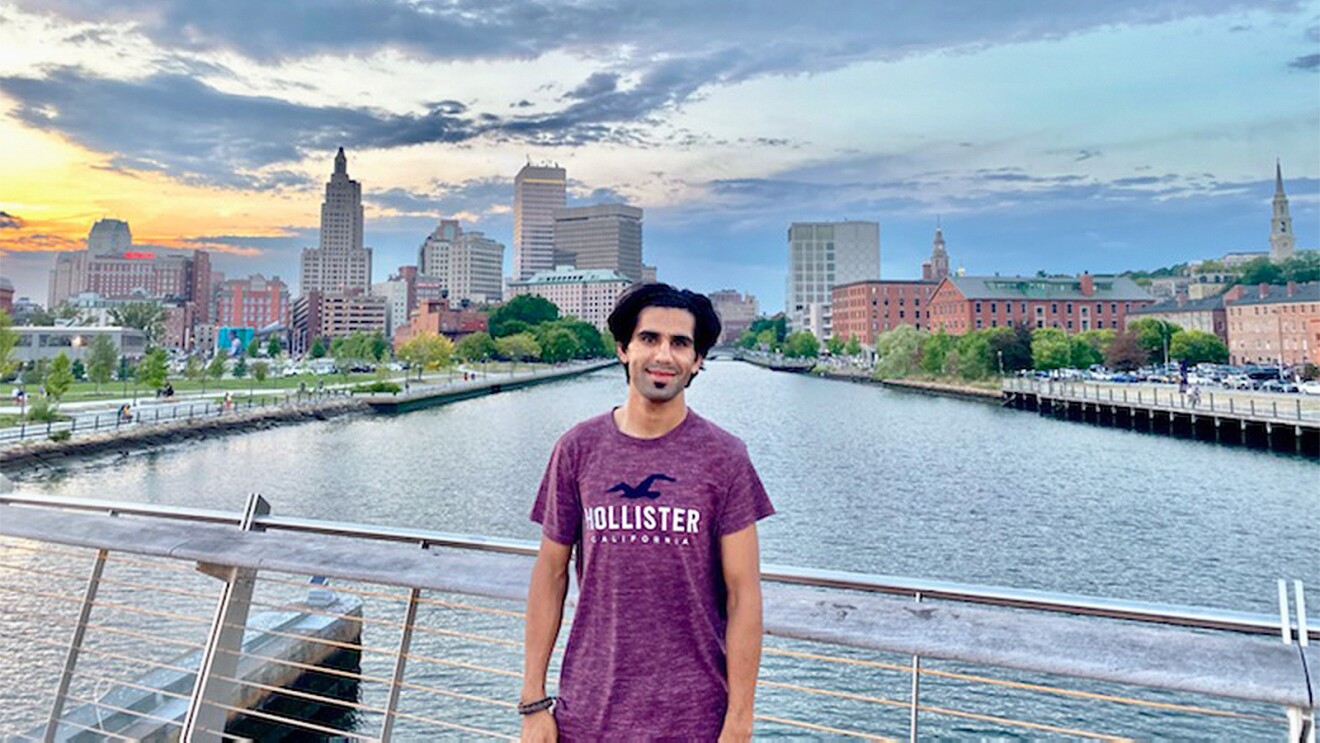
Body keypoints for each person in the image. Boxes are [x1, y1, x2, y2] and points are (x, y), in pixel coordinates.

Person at [522, 283, 775, 742]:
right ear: (623, 349)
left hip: (696, 721)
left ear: (698, 360)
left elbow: (743, 596)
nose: (664, 354)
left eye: (681, 343)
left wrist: (740, 719)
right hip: (586, 716)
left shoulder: (725, 457)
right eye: (649, 338)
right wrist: (534, 702)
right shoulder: (578, 449)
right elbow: (550, 574)